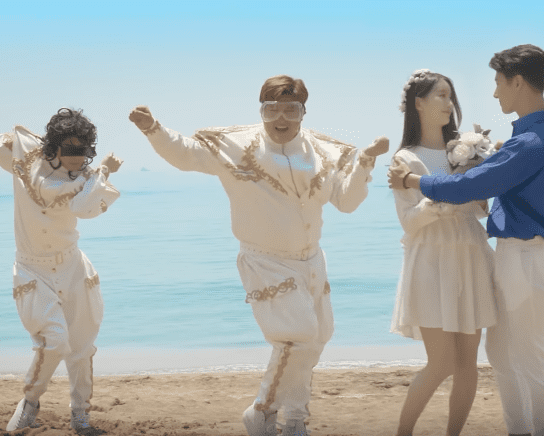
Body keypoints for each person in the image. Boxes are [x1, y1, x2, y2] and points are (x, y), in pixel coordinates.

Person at [128, 75, 389, 436]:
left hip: (312, 259)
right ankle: (262, 412)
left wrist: (365, 164)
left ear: (303, 112)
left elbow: (346, 201)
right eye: (272, 109)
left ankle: (295, 420)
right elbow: (186, 154)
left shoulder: (324, 152)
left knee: (317, 338)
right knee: (297, 336)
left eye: (291, 110)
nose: (281, 118)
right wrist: (153, 129)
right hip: (264, 259)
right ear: (261, 110)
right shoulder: (236, 146)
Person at [389, 44, 544, 436]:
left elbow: (470, 188)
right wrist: (486, 165)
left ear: (517, 82)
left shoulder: (531, 141)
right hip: (512, 256)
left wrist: (414, 181)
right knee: (503, 355)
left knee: (528, 357)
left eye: (499, 82)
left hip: (523, 256)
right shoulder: (540, 137)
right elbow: (485, 193)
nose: (494, 92)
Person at [0, 108, 123, 434]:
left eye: (86, 150)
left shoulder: (87, 179)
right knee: (55, 341)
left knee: (81, 347)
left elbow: (84, 209)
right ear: (54, 147)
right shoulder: (24, 160)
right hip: (34, 270)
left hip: (73, 267)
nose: (80, 157)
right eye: (72, 149)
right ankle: (31, 402)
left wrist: (101, 172)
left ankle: (81, 418)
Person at [389, 69, 497, 436]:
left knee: (468, 363)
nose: (449, 103)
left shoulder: (465, 151)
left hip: (470, 256)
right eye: (441, 95)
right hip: (431, 263)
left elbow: (481, 208)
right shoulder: (405, 158)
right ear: (418, 103)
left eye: (450, 95)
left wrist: (480, 174)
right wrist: (444, 197)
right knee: (441, 363)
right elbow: (409, 222)